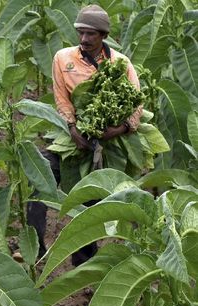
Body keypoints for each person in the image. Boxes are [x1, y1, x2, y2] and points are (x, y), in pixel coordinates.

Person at [28, 4, 142, 266]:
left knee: (95, 197)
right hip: (73, 132)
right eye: (81, 32)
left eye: (91, 34)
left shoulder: (120, 63)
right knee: (43, 174)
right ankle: (36, 247)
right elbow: (62, 99)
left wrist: (121, 128)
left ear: (103, 35)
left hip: (110, 136)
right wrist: (72, 127)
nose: (84, 39)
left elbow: (136, 101)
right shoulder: (63, 58)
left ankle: (85, 262)